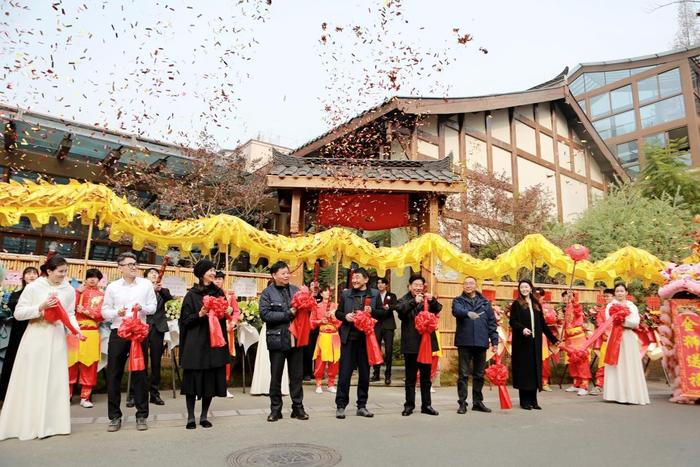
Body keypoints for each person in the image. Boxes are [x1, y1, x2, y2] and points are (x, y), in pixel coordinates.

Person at [0, 255, 82, 440]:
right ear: (49, 271)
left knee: (54, 379)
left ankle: (52, 424)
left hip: (56, 337)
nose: (63, 275)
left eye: (65, 272)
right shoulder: (33, 287)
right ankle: (27, 423)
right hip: (35, 336)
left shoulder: (69, 290)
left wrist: (76, 330)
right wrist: (40, 307)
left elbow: (70, 314)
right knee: (31, 377)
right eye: (60, 272)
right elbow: (19, 313)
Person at [101, 252, 157, 433]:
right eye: (129, 264)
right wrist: (117, 312)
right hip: (119, 332)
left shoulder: (146, 284)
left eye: (135, 264)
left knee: (140, 374)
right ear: (120, 268)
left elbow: (153, 307)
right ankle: (114, 416)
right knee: (114, 374)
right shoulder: (113, 287)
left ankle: (142, 415)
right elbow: (105, 311)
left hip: (139, 333)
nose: (134, 267)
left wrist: (143, 308)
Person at [179, 259, 231, 429]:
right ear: (201, 273)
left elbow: (224, 314)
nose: (213, 273)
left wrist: (227, 312)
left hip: (213, 341)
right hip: (196, 341)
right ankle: (190, 417)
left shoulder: (219, 292)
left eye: (214, 270)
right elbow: (185, 320)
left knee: (210, 379)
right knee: (193, 379)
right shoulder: (191, 295)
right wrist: (200, 314)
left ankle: (203, 416)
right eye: (210, 270)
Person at [259, 261, 308, 422]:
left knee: (296, 376)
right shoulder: (267, 293)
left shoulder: (296, 291)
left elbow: (304, 311)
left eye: (288, 272)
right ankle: (275, 409)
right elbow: (265, 315)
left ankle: (298, 408)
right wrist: (289, 313)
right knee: (276, 376)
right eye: (283, 273)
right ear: (274, 275)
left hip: (296, 339)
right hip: (277, 339)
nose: (287, 275)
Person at [335, 268, 385, 419]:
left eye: (358, 278)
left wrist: (373, 312)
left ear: (366, 279)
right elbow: (338, 313)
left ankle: (361, 406)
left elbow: (383, 314)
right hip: (349, 338)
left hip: (366, 340)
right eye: (353, 278)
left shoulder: (375, 294)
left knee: (364, 374)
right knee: (344, 374)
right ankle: (341, 406)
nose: (355, 281)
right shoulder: (346, 294)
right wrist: (346, 317)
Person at [509, 279, 559, 410]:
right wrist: (522, 329)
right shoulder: (516, 304)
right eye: (522, 287)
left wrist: (554, 339)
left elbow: (542, 324)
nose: (524, 289)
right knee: (524, 372)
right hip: (522, 343)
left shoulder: (536, 304)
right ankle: (524, 401)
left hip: (535, 343)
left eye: (526, 287)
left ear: (531, 288)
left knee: (534, 370)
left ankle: (534, 400)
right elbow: (512, 322)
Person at [396, 274, 442, 416]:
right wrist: (414, 302)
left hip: (426, 343)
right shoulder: (404, 300)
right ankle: (409, 405)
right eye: (415, 285)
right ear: (409, 286)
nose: (418, 288)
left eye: (420, 285)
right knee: (410, 377)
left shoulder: (427, 299)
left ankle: (426, 405)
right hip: (411, 344)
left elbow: (438, 308)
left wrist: (432, 300)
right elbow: (401, 311)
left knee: (425, 377)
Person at [126, 267, 173, 408]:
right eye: (151, 273)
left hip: (157, 328)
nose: (154, 275)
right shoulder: (140, 290)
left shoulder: (162, 290)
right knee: (140, 360)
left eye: (156, 273)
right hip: (142, 327)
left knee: (156, 362)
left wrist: (159, 289)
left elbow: (169, 299)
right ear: (145, 277)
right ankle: (135, 394)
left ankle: (154, 393)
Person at [451, 276, 498, 414]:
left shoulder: (485, 303)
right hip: (464, 342)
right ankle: (462, 403)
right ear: (463, 286)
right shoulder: (458, 300)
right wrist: (467, 313)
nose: (468, 286)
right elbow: (456, 311)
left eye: (471, 283)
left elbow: (491, 323)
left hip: (481, 342)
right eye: (466, 283)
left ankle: (477, 402)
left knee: (479, 374)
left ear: (476, 285)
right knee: (463, 374)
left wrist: (494, 341)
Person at [603, 283, 650, 405]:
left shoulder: (631, 306)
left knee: (629, 363)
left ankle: (630, 394)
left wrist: (622, 321)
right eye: (617, 291)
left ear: (626, 293)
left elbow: (635, 322)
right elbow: (609, 319)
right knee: (615, 364)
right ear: (615, 293)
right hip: (614, 337)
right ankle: (614, 394)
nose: (619, 293)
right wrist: (618, 320)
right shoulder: (610, 305)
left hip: (628, 337)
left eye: (621, 291)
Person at [0, 266, 39, 402]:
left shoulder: (41, 294)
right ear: (23, 277)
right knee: (13, 359)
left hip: (35, 329)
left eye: (34, 273)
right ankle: (6, 394)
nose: (32, 275)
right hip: (18, 331)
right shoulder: (16, 294)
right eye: (28, 273)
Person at [68, 268, 105, 408]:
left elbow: (101, 315)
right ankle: (67, 395)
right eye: (90, 276)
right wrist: (77, 292)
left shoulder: (102, 295)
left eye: (95, 277)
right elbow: (68, 308)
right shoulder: (76, 292)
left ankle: (85, 397)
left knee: (89, 365)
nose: (92, 279)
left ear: (99, 280)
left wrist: (87, 311)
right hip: (74, 332)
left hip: (91, 332)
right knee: (70, 364)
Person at [310, 286, 341, 394]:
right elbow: (311, 323)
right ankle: (318, 383)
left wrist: (334, 318)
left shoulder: (336, 306)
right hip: (323, 335)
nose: (327, 293)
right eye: (324, 291)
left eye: (328, 291)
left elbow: (341, 323)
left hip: (334, 335)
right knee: (320, 360)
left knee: (334, 361)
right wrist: (320, 321)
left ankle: (331, 383)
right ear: (321, 294)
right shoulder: (316, 306)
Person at [563, 291, 591, 396]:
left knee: (581, 361)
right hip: (570, 339)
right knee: (573, 361)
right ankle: (576, 384)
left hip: (578, 338)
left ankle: (584, 385)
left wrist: (574, 300)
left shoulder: (576, 307)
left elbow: (578, 310)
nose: (566, 298)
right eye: (565, 297)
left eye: (568, 296)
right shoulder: (566, 308)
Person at [371, 277, 397, 385]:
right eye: (378, 283)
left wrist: (389, 307)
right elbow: (372, 309)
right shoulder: (374, 296)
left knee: (389, 350)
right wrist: (381, 311)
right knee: (376, 349)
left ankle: (388, 375)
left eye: (382, 283)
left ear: (386, 285)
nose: (380, 285)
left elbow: (395, 306)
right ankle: (376, 374)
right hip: (377, 325)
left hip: (388, 325)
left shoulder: (392, 295)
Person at [534, 287, 559, 392]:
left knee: (543, 360)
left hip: (542, 337)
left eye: (540, 295)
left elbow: (550, 320)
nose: (538, 297)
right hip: (529, 336)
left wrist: (554, 339)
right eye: (536, 295)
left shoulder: (547, 307)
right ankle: (533, 382)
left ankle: (544, 382)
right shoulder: (528, 306)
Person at [591, 288, 615, 396]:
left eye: (608, 296)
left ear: (613, 297)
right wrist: (608, 333)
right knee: (602, 364)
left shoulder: (620, 309)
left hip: (618, 342)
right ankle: (599, 385)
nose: (605, 298)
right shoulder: (601, 312)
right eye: (604, 296)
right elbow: (600, 325)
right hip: (606, 341)